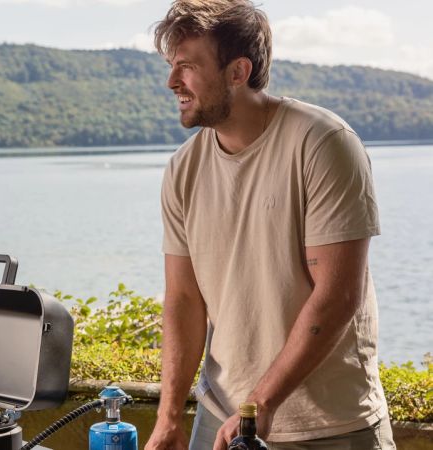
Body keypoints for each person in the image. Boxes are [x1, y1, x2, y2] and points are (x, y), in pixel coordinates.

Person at [143, 1, 394, 449]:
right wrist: (168, 416)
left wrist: (259, 405)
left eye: (187, 66)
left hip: (331, 425)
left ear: (238, 71)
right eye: (170, 66)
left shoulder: (324, 144)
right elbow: (183, 299)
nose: (171, 82)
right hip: (219, 414)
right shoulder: (183, 169)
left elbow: (336, 295)